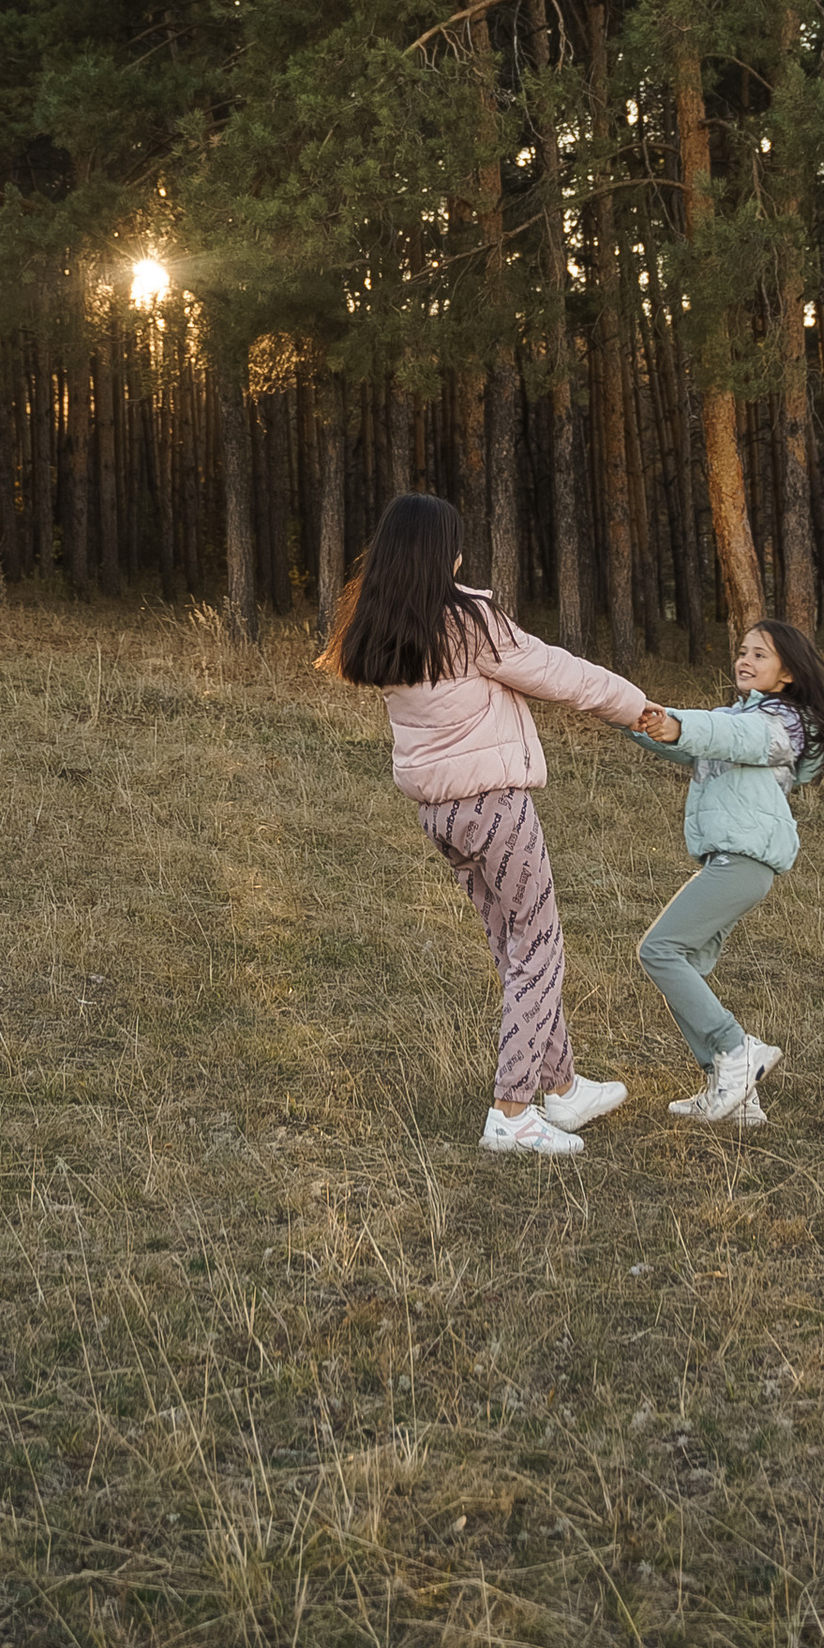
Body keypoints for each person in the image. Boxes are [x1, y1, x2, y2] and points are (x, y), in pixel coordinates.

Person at [331, 492, 649, 1159]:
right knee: (539, 949)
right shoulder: (467, 621)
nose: (461, 554)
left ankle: (561, 1089)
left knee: (513, 945)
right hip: (495, 807)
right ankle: (511, 1111)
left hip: (440, 813)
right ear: (441, 554)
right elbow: (556, 672)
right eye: (455, 544)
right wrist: (638, 707)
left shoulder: (383, 623)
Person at [630, 616, 824, 1127]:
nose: (745, 658)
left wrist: (680, 722)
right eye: (742, 650)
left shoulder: (778, 723)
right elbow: (695, 740)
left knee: (660, 950)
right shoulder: (740, 718)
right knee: (682, 961)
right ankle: (736, 1094)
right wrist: (635, 718)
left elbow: (727, 734)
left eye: (760, 654)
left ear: (786, 674)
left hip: (745, 860)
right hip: (734, 860)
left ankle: (736, 1049)